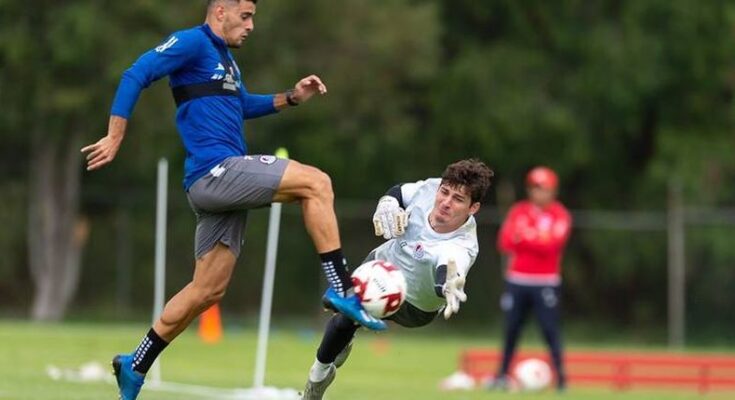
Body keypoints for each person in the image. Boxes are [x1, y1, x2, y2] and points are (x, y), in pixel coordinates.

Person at [81, 1, 383, 399]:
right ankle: (343, 288)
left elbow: (241, 105)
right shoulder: (191, 42)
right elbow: (135, 73)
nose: (252, 25)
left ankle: (135, 365)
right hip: (215, 171)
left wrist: (292, 96)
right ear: (219, 11)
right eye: (246, 15)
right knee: (317, 183)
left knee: (206, 291)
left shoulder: (225, 61)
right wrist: (115, 136)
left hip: (216, 187)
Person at [300, 159, 494, 400]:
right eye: (444, 192)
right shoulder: (429, 188)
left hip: (415, 307)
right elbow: (400, 192)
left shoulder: (463, 244)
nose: (445, 202)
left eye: (458, 199)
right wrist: (388, 202)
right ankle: (315, 384)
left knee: (345, 317)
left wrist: (447, 285)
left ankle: (349, 328)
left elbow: (449, 268)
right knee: (341, 320)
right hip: (382, 267)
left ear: (473, 208)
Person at [489, 166, 572, 391]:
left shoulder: (559, 214)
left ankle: (562, 380)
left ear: (553, 191)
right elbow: (504, 242)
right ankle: (502, 376)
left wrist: (524, 237)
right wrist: (535, 238)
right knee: (511, 329)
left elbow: (552, 245)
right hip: (517, 280)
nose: (539, 193)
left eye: (544, 188)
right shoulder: (519, 211)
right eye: (535, 188)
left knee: (550, 330)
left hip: (545, 281)